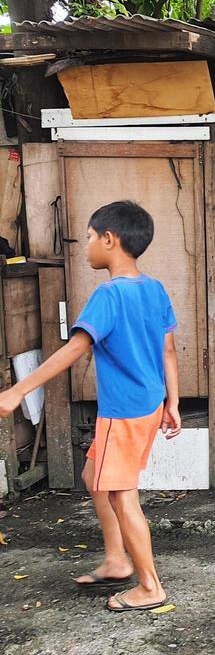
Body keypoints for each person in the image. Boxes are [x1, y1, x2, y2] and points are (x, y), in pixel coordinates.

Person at [0, 201, 180, 612]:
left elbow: (74, 349)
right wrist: (172, 402)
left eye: (88, 237)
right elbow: (169, 350)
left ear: (109, 240)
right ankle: (117, 560)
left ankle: (150, 586)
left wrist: (17, 391)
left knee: (121, 495)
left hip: (124, 411)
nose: (85, 247)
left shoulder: (108, 295)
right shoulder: (153, 288)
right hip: (148, 404)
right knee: (94, 476)